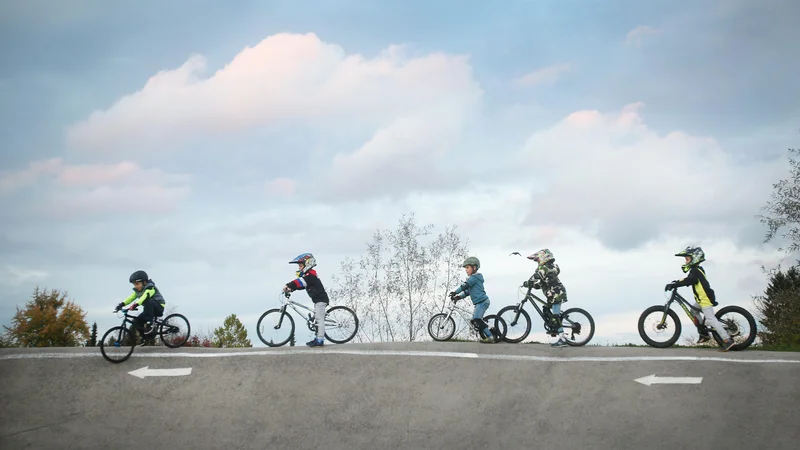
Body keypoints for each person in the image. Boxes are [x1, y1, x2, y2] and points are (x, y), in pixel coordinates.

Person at [665, 246, 736, 352]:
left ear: (695, 258)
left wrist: (675, 285)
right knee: (693, 311)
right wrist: (675, 282)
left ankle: (727, 340)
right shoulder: (696, 270)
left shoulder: (696, 270)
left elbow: (690, 280)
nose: (685, 261)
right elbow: (688, 279)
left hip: (705, 299)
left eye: (687, 258)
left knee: (711, 319)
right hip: (701, 299)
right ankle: (704, 333)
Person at [524, 248, 569, 348]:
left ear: (543, 258)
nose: (538, 262)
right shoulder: (549, 268)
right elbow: (543, 283)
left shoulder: (546, 268)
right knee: (546, 308)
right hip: (554, 294)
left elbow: (537, 276)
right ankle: (553, 329)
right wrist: (534, 286)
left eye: (538, 260)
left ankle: (563, 339)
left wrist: (528, 282)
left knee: (555, 317)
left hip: (556, 294)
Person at [283, 252, 330, 347]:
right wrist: (291, 289)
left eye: (300, 265)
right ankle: (317, 338)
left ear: (307, 264)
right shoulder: (308, 276)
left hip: (321, 299)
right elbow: (302, 285)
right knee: (316, 319)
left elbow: (300, 282)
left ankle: (320, 340)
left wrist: (288, 285)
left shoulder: (310, 275)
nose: (299, 268)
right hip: (317, 300)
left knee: (319, 318)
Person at [450, 256, 495, 343]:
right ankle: (487, 332)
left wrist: (455, 292)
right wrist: (458, 297)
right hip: (479, 303)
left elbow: (465, 286)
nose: (466, 270)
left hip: (482, 302)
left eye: (467, 267)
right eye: (465, 268)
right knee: (474, 321)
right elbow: (467, 292)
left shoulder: (474, 278)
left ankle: (490, 337)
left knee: (477, 320)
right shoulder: (473, 279)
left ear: (474, 267)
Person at [115, 270, 166, 340]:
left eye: (137, 284)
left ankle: (150, 323)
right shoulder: (138, 291)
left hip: (158, 307)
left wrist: (136, 304)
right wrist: (121, 304)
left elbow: (144, 297)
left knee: (148, 300)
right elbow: (130, 298)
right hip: (148, 310)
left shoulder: (151, 288)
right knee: (136, 322)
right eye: (134, 284)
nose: (135, 286)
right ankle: (146, 338)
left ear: (144, 282)